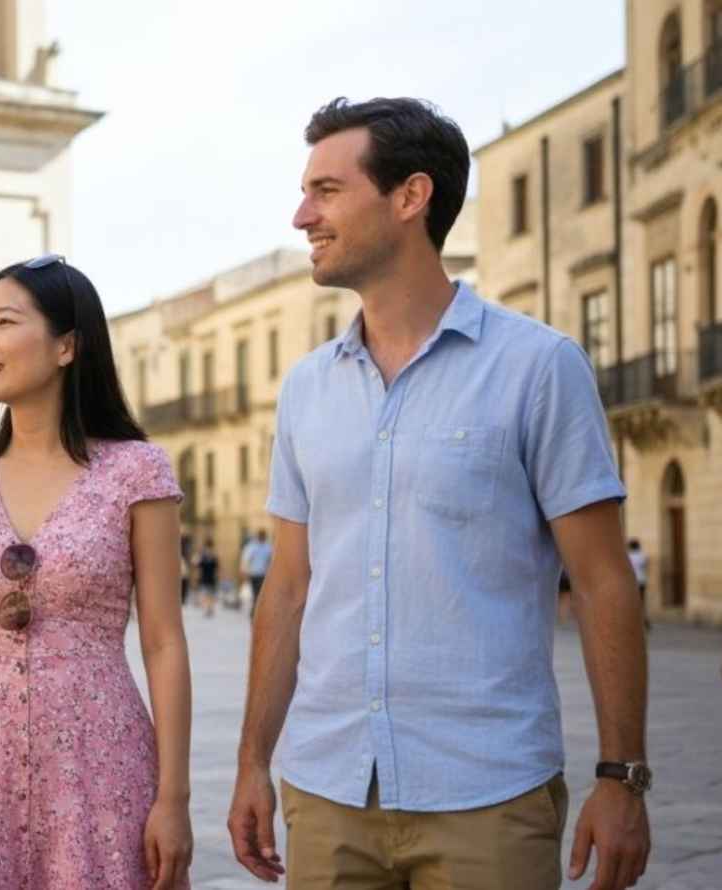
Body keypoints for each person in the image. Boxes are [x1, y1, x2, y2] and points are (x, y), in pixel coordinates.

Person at [226, 98, 650, 890]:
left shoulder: (538, 368)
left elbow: (600, 582)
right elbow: (286, 589)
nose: (300, 215)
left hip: (487, 793)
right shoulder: (306, 390)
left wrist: (622, 778)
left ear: (411, 197)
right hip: (326, 790)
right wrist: (253, 762)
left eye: (326, 190)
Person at [0, 255, 194, 890]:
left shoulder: (136, 472)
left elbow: (164, 641)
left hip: (102, 767)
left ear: (66, 346)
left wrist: (174, 797)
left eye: (6, 322)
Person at [239, 530, 272, 618]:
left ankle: (256, 612)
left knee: (259, 594)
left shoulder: (267, 547)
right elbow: (246, 560)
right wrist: (244, 571)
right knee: (256, 594)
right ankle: (255, 612)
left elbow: (271, 560)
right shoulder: (253, 547)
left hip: (263, 574)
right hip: (254, 574)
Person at [627, 539, 649, 627]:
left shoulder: (628, 556)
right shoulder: (642, 556)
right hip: (642, 581)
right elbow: (645, 565)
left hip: (632, 582)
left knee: (633, 602)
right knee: (642, 602)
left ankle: (636, 621)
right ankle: (644, 620)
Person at [196, 539, 220, 618]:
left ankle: (209, 608)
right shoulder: (212, 555)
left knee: (207, 593)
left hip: (206, 577)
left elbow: (197, 565)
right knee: (209, 593)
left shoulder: (204, 555)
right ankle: (209, 608)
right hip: (209, 577)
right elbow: (218, 567)